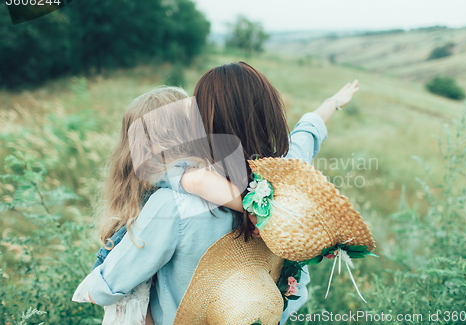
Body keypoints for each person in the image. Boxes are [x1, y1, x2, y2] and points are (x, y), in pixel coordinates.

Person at [74, 62, 359, 325]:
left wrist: (92, 287)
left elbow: (112, 284)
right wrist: (331, 103)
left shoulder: (173, 203)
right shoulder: (287, 176)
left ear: (205, 124)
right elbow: (305, 134)